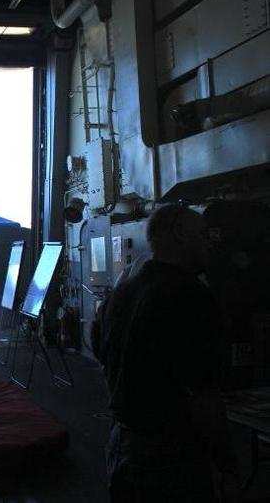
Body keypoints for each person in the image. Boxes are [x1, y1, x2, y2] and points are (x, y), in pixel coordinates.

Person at [95, 205, 239, 502]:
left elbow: (99, 348)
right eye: (202, 235)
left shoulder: (122, 292)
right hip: (170, 458)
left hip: (121, 447)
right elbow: (203, 396)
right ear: (180, 235)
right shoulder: (190, 297)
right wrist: (226, 465)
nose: (209, 243)